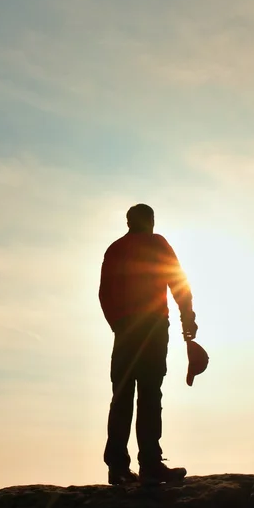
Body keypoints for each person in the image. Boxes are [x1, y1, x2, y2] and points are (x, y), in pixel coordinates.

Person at [99, 204, 198, 485]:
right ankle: (150, 464)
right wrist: (187, 320)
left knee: (122, 397)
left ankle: (118, 467)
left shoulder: (115, 248)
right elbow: (178, 282)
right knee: (150, 395)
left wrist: (118, 325)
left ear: (129, 222)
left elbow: (104, 292)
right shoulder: (157, 244)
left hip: (127, 330)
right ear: (151, 221)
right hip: (153, 328)